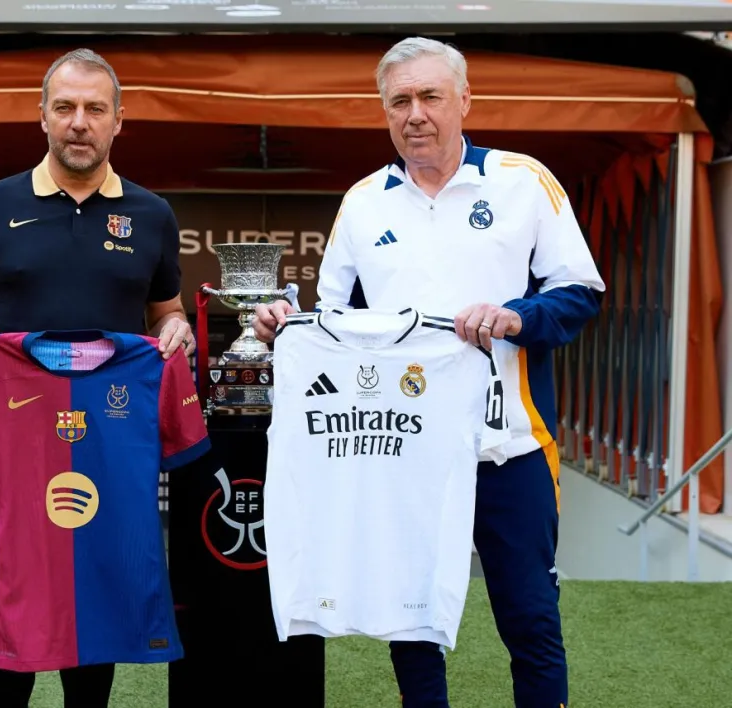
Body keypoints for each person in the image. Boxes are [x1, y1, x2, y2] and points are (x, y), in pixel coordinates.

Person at [253, 36, 605, 708]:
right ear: (385, 111)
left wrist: (515, 316)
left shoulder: (523, 181)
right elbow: (335, 324)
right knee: (411, 626)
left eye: (430, 97)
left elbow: (580, 294)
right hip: (404, 449)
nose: (415, 114)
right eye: (400, 101)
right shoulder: (364, 202)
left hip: (510, 446)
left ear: (464, 100)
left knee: (530, 618)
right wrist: (285, 325)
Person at [0, 48, 194, 708]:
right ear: (43, 117)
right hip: (18, 437)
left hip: (108, 435)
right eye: (65, 107)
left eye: (94, 109)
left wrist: (176, 330)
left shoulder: (151, 214)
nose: (79, 122)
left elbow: (166, 310)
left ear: (118, 121)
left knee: (97, 583)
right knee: (13, 587)